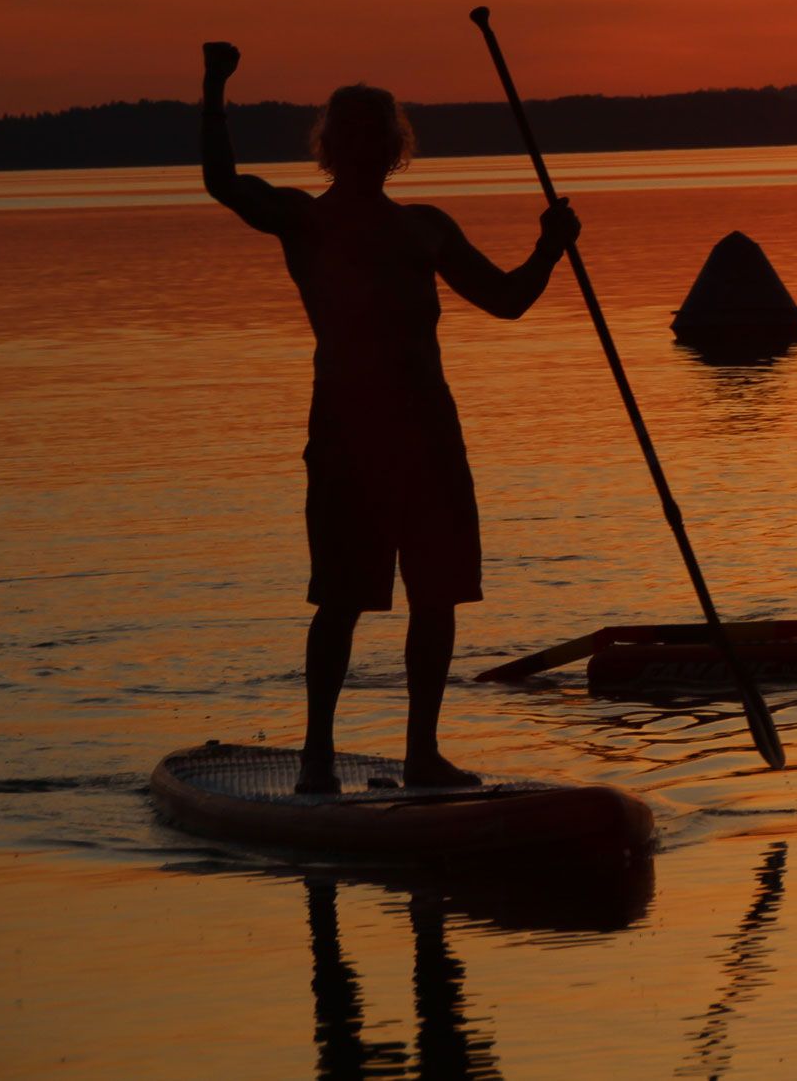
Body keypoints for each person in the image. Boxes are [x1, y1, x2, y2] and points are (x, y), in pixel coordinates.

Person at [200, 41, 578, 792]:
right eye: (346, 132)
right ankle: (315, 757)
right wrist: (214, 87)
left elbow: (506, 300)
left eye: (375, 132)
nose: (361, 143)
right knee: (341, 600)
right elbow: (220, 181)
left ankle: (420, 754)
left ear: (393, 146)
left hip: (430, 437)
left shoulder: (426, 226)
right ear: (329, 147)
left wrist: (549, 249)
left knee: (435, 597)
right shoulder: (303, 220)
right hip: (346, 437)